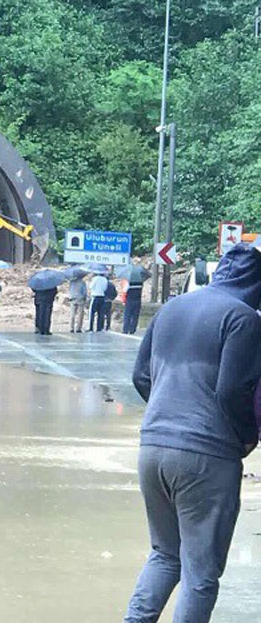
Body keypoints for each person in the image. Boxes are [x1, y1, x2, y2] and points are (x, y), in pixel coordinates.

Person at [124, 244, 261, 623]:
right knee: (200, 572)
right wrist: (246, 437)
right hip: (206, 456)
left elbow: (139, 376)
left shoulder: (170, 309)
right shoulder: (243, 318)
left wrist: (168, 413)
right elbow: (233, 390)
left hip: (152, 447)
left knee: (165, 554)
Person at [123, 261, 150, 334]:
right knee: (135, 315)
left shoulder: (128, 282)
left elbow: (124, 291)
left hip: (129, 300)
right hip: (138, 300)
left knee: (127, 315)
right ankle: (132, 329)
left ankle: (125, 329)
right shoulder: (141, 283)